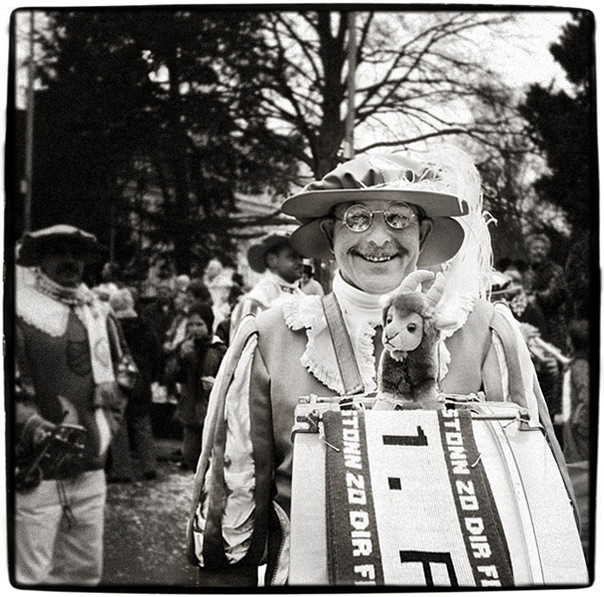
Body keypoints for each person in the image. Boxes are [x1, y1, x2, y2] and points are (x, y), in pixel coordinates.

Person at [186, 149, 575, 586]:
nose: (376, 239)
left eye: (397, 219)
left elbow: (539, 508)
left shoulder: (484, 331)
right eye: (356, 218)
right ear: (330, 232)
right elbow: (230, 524)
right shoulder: (274, 335)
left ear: (424, 232)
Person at [13, 224, 128, 586]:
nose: (70, 261)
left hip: (90, 468)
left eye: (77, 254)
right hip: (34, 471)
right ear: (40, 259)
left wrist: (108, 423)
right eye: (59, 252)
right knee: (29, 577)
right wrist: (32, 428)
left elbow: (126, 368)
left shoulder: (99, 312)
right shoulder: (17, 311)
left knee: (84, 575)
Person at [106, 288, 162, 482]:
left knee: (119, 424)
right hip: (142, 379)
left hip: (118, 378)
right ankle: (149, 467)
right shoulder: (145, 325)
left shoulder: (111, 326)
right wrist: (150, 376)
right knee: (142, 422)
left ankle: (122, 470)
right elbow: (156, 354)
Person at [164, 301, 226, 471]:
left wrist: (216, 384)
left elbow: (230, 380)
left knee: (212, 458)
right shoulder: (185, 347)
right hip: (191, 411)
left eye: (199, 324)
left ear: (208, 324)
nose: (194, 329)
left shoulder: (219, 350)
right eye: (190, 324)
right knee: (191, 455)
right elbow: (171, 375)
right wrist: (181, 358)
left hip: (212, 412)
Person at [229, 234, 304, 342]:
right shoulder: (256, 301)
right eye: (292, 257)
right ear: (272, 260)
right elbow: (241, 349)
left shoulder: (303, 297)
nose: (300, 263)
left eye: (301, 258)